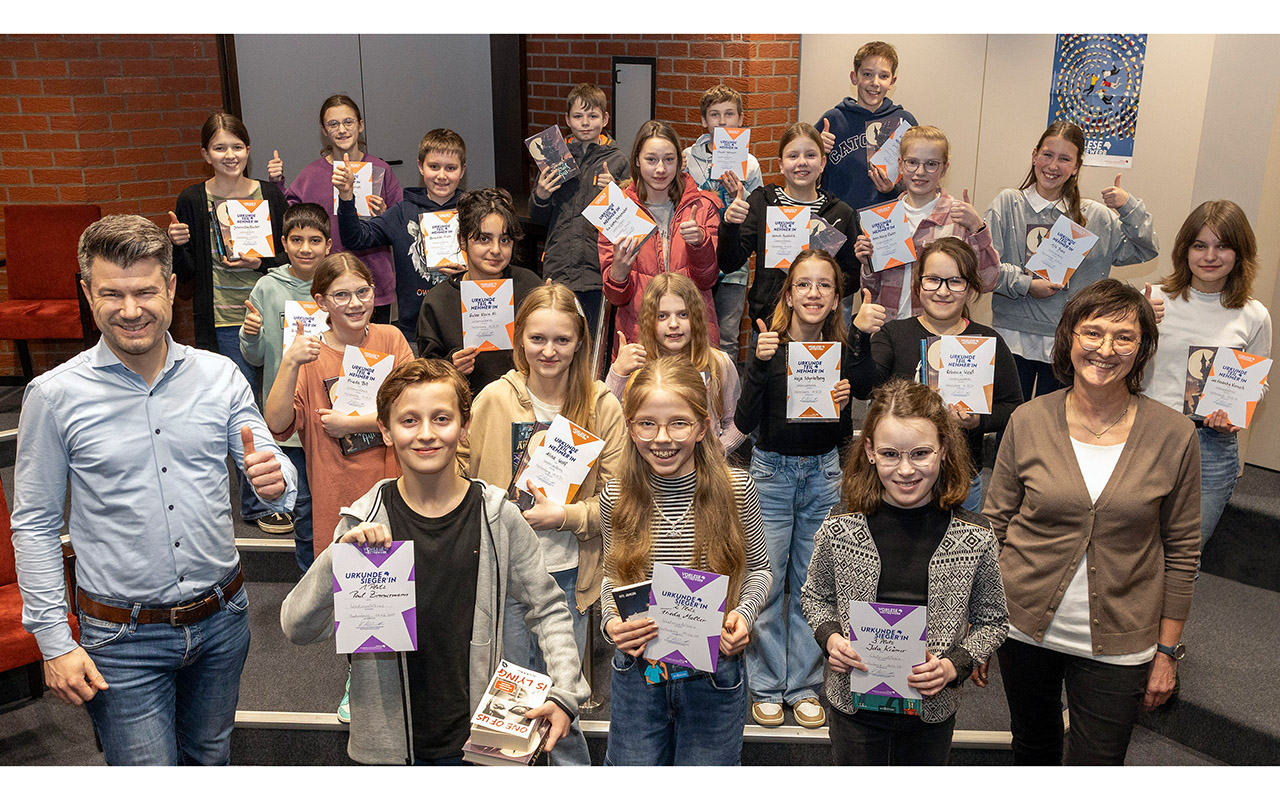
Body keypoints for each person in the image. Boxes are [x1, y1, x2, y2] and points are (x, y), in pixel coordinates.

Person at [12, 214, 296, 765]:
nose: (131, 309)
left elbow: (275, 478)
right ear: (87, 293)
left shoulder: (220, 377)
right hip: (122, 640)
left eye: (145, 290)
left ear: (170, 288)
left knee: (209, 758)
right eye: (111, 293)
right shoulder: (53, 396)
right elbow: (36, 525)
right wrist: (54, 641)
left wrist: (277, 481)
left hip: (222, 621)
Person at [280, 358, 588, 765]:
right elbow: (297, 627)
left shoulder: (498, 516)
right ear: (385, 431)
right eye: (409, 421)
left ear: (464, 427)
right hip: (389, 752)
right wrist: (339, 560)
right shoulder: (364, 521)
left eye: (441, 418)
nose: (426, 434)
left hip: (483, 744)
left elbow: (548, 609)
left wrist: (566, 691)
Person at [984, 279, 1200, 765]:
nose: (1106, 349)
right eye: (1093, 332)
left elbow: (1183, 550)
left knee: (1098, 767)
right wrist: (980, 625)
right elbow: (993, 528)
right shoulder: (1029, 420)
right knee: (1032, 749)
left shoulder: (1174, 435)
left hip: (1121, 640)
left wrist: (1167, 652)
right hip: (1022, 630)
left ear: (1142, 348)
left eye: (1124, 337)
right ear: (1069, 338)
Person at [801, 378, 1008, 765]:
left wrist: (953, 666)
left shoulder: (974, 536)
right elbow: (815, 597)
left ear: (944, 450)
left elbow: (993, 620)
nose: (906, 469)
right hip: (854, 709)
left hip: (931, 713)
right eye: (891, 454)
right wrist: (830, 639)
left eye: (921, 453)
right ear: (870, 452)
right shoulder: (839, 527)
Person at [463, 284, 624, 765]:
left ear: (580, 342)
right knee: (511, 698)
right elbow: (461, 473)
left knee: (561, 697)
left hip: (569, 574)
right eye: (537, 339)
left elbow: (620, 500)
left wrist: (568, 516)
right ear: (520, 340)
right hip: (508, 572)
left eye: (561, 340)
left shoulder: (601, 405)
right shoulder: (493, 398)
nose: (549, 351)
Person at [600, 356, 771, 765]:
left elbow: (760, 571)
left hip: (714, 675)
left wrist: (744, 617)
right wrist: (611, 623)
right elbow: (611, 577)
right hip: (639, 671)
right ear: (629, 427)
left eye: (678, 422)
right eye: (646, 423)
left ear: (701, 427)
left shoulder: (736, 489)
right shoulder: (616, 494)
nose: (662, 438)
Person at [734, 248, 852, 729]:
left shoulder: (840, 352)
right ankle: (764, 684)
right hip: (771, 475)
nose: (813, 293)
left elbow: (839, 434)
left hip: (823, 476)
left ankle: (802, 684)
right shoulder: (767, 346)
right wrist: (760, 366)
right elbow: (743, 421)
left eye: (824, 285)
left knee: (810, 585)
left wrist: (843, 404)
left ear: (836, 297)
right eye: (803, 284)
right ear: (788, 293)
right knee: (764, 582)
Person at [167, 111, 291, 535]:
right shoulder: (191, 199)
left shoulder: (270, 195)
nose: (230, 154)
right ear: (205, 154)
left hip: (270, 315)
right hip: (222, 319)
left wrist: (261, 261)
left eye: (237, 146)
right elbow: (186, 279)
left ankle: (285, 491)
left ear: (248, 149)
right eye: (219, 147)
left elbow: (290, 260)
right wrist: (177, 246)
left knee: (280, 400)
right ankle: (259, 503)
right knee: (244, 410)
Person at [986, 120, 1159, 401]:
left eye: (1065, 159)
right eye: (1047, 155)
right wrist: (1026, 284)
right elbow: (985, 269)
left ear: (1077, 166)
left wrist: (1128, 207)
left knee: (1056, 431)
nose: (1053, 166)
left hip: (1070, 343)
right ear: (1034, 155)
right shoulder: (1008, 203)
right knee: (1009, 426)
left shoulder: (1096, 217)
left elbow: (1146, 249)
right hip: (1011, 336)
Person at [849, 237, 1022, 512]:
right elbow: (862, 388)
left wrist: (978, 421)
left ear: (970, 288)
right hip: (898, 477)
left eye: (955, 281)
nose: (943, 291)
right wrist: (858, 334)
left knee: (957, 554)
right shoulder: (894, 335)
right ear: (918, 286)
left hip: (961, 479)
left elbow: (1012, 407)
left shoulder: (988, 342)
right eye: (933, 280)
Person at [1144, 200, 1271, 547]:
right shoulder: (1154, 300)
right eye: (1200, 245)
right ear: (1184, 250)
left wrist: (1235, 414)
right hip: (1147, 437)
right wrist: (1138, 326)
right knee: (1129, 552)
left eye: (1222, 246)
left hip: (1211, 448)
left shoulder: (1254, 315)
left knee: (1185, 558)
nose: (1210, 256)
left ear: (1240, 252)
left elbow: (1256, 383)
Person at [239, 202, 332, 571]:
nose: (305, 248)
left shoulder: (338, 285)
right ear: (283, 242)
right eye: (297, 240)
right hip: (290, 421)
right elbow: (257, 357)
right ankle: (309, 583)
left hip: (330, 415)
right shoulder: (267, 287)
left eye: (314, 240)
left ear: (328, 244)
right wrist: (249, 336)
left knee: (334, 500)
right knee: (305, 507)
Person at [267, 94, 404, 325]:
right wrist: (276, 183)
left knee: (372, 358)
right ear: (324, 130)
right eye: (333, 124)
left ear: (360, 125)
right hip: (328, 286)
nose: (342, 129)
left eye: (348, 122)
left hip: (374, 284)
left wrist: (386, 215)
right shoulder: (311, 174)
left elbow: (402, 223)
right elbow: (288, 218)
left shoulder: (380, 170)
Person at [718, 122, 858, 328]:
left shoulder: (840, 213)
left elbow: (852, 277)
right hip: (769, 326)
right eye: (793, 156)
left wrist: (820, 289)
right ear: (781, 164)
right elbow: (729, 263)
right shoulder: (762, 203)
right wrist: (730, 225)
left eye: (810, 155)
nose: (802, 163)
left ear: (822, 163)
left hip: (821, 330)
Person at [852, 125, 998, 322]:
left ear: (945, 168)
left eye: (931, 164)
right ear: (900, 165)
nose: (920, 172)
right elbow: (873, 290)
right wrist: (867, 264)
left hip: (938, 334)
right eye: (912, 162)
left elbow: (987, 282)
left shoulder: (959, 219)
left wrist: (977, 228)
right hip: (888, 330)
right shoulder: (884, 219)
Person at [337, 128, 468, 342]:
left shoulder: (474, 211)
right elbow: (355, 238)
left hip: (463, 326)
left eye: (450, 168)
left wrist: (472, 270)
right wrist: (346, 197)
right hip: (415, 331)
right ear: (420, 166)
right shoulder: (401, 212)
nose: (442, 176)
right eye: (434, 166)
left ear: (462, 171)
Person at [599, 120, 721, 348]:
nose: (660, 169)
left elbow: (708, 280)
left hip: (691, 335)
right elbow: (615, 298)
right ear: (636, 160)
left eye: (669, 159)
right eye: (651, 159)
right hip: (640, 336)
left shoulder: (702, 206)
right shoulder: (615, 209)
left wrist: (699, 244)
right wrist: (619, 272)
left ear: (679, 160)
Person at [416, 187, 543, 397]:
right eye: (484, 239)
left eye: (504, 240)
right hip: (464, 409)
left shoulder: (529, 286)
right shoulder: (439, 301)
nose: (495, 250)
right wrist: (450, 366)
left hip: (525, 405)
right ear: (462, 241)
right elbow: (425, 373)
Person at [529, 83, 630, 332]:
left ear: (605, 119)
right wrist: (541, 194)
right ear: (567, 119)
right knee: (560, 334)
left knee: (595, 341)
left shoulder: (618, 160)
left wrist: (616, 192)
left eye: (593, 116)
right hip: (560, 266)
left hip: (598, 269)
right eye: (578, 116)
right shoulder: (553, 156)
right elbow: (539, 220)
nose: (585, 122)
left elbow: (628, 221)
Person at [607, 273, 745, 453]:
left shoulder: (719, 363)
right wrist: (618, 372)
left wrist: (721, 448)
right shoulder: (636, 366)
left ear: (696, 318)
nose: (673, 324)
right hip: (651, 466)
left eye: (683, 314)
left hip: (706, 470)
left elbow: (735, 421)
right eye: (662, 316)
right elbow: (608, 421)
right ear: (649, 321)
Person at [682, 84, 764, 363]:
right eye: (714, 115)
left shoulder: (750, 164)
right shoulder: (687, 158)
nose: (722, 121)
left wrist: (738, 195)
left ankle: (726, 402)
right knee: (692, 331)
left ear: (741, 120)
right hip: (695, 255)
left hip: (734, 265)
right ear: (704, 121)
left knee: (727, 337)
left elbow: (755, 215)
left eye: (729, 114)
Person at [816, 40, 919, 213]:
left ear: (892, 81)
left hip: (886, 225)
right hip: (838, 223)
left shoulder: (904, 122)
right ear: (854, 77)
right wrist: (817, 151)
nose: (875, 83)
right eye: (868, 74)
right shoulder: (832, 120)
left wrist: (892, 190)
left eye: (883, 76)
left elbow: (919, 179)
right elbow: (806, 179)